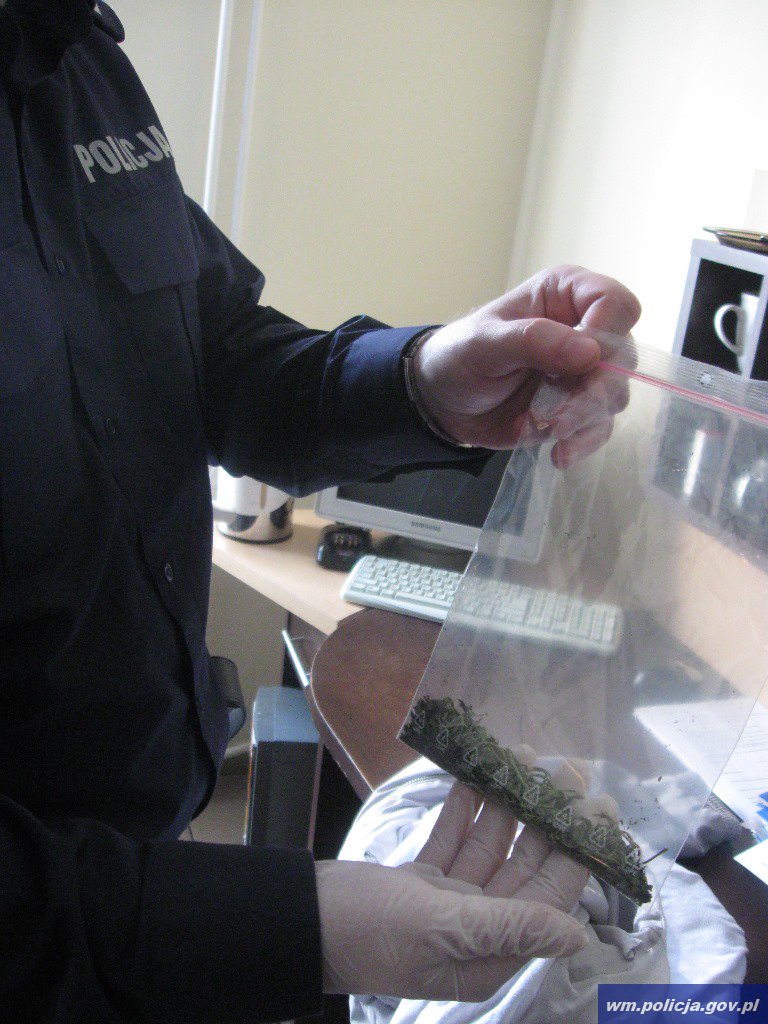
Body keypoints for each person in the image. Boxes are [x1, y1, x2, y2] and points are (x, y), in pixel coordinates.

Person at [0, 1, 641, 1022]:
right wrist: (303, 928)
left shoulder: (76, 61)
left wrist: (422, 381)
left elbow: (213, 353)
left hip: (151, 842)